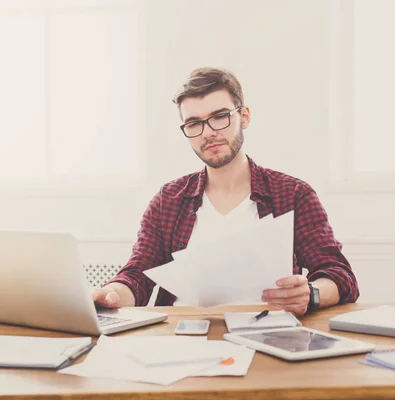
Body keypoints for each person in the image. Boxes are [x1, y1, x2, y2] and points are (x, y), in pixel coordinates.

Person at [91, 67, 359, 316]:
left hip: (268, 338)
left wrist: (310, 294)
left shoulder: (293, 194)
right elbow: (137, 277)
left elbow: (339, 275)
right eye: (194, 123)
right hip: (183, 339)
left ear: (244, 117)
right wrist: (110, 295)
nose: (208, 133)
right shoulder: (168, 201)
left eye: (219, 117)